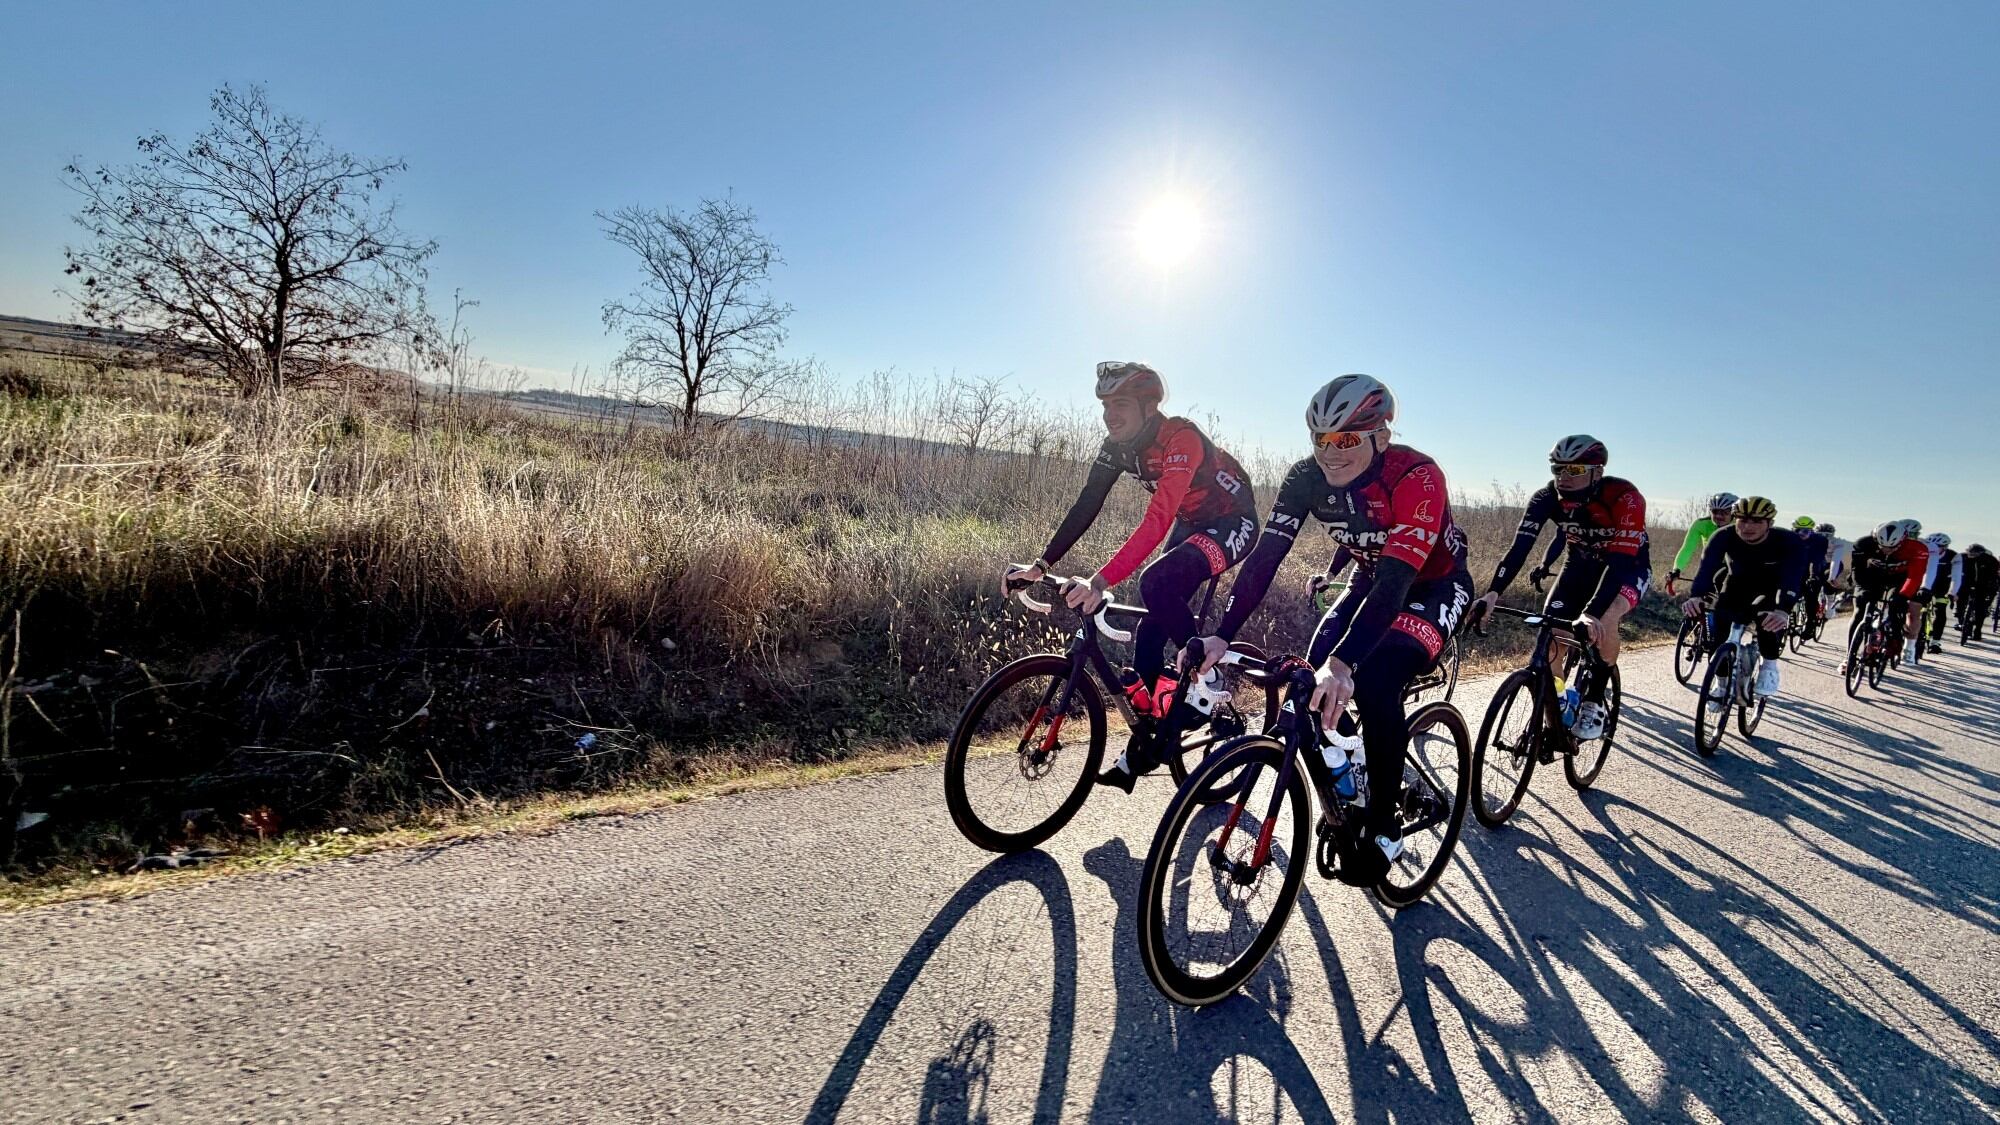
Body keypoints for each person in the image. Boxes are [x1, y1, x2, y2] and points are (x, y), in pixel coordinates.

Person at [1190, 374, 1472, 884]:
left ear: (1380, 436)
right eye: (1320, 439)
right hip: (1369, 579)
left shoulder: (1417, 476)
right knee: (1313, 672)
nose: (1330, 452)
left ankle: (1387, 826)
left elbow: (1395, 581)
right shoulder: (1305, 479)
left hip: (1432, 586)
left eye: (1344, 439)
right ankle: (1353, 768)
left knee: (1376, 676)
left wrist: (1345, 666)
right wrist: (1222, 633)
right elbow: (1264, 560)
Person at [1005, 361, 1258, 790]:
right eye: (1105, 405)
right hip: (1192, 521)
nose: (1109, 415)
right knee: (1149, 630)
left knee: (1156, 582)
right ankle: (1151, 736)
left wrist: (1100, 581)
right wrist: (1041, 565)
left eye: (1119, 404)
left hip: (1234, 521)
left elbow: (1158, 518)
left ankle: (1208, 680)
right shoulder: (1117, 446)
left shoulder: (1182, 438)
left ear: (1147, 406)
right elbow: (1088, 503)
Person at [1469, 436, 1648, 740]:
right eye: (1557, 469)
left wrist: (1592, 613)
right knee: (1551, 636)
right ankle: (1560, 698)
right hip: (1577, 567)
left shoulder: (1624, 497)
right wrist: (1492, 592)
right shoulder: (1546, 498)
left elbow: (1618, 565)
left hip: (1626, 569)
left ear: (1597, 471)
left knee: (1605, 620)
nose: (1563, 477)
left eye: (1575, 469)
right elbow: (1519, 550)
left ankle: (1594, 702)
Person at [1682, 497, 1804, 704]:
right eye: (1743, 520)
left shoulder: (1788, 540)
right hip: (1736, 584)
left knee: (1767, 619)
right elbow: (1706, 569)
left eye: (1757, 521)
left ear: (1769, 524)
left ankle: (1770, 666)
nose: (1748, 527)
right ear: (1735, 519)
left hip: (1771, 588)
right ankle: (1721, 683)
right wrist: (1695, 596)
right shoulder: (1723, 536)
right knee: (1719, 628)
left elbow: (1793, 577)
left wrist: (1783, 609)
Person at [1846, 520, 1930, 668]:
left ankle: (1894, 641)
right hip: (1873, 576)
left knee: (1896, 606)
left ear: (1903, 541)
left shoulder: (1917, 548)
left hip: (1899, 579)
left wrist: (1903, 596)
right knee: (1860, 609)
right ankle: (1849, 658)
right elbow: (1857, 571)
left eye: (1892, 547)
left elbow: (1915, 577)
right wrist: (1862, 589)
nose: (1887, 550)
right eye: (1882, 546)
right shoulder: (1863, 544)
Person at [1666, 493, 1738, 596]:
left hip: (1734, 565)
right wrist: (1676, 570)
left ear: (1734, 513)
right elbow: (1687, 549)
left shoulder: (1742, 526)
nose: (1718, 516)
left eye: (1724, 513)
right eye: (1715, 511)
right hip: (1711, 564)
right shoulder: (1701, 524)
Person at [1920, 533, 1958, 655]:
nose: (1934, 548)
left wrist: (1953, 592)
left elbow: (1957, 577)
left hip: (1942, 587)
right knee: (1918, 609)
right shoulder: (1924, 552)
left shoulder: (1952, 556)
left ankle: (1935, 642)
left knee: (1940, 610)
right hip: (1925, 585)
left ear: (1945, 547)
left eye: (1938, 546)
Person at [1791, 517, 1831, 633]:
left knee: (1811, 594)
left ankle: (1810, 623)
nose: (1802, 534)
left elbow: (1816, 560)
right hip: (1795, 567)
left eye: (1806, 531)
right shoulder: (1789, 538)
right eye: (1798, 531)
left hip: (1813, 567)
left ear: (1811, 531)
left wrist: (1813, 576)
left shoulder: (1819, 541)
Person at [1960, 544, 1998, 642]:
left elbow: (1994, 577)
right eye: (1970, 552)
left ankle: (1978, 630)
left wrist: (1991, 591)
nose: (1972, 555)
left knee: (1981, 609)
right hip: (1967, 584)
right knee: (1960, 600)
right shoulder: (1963, 558)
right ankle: (1962, 621)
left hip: (1984, 586)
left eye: (1975, 553)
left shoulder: (1990, 560)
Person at [1821, 523, 1853, 616]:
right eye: (1820, 534)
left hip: (1833, 563)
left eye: (1827, 535)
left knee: (1828, 578)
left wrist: (1832, 577)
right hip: (1818, 563)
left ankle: (1830, 601)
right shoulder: (1813, 541)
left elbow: (1836, 559)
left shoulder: (1837, 542)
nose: (1824, 537)